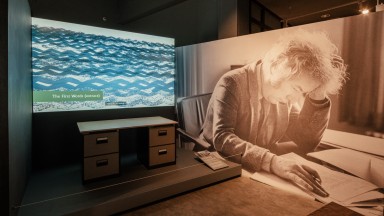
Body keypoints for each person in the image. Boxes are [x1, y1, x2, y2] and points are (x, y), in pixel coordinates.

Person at [200, 29, 347, 196]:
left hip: (255, 172)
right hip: (216, 167)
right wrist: (273, 162)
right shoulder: (231, 82)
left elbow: (305, 141)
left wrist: (317, 95)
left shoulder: (284, 97)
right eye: (296, 88)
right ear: (280, 67)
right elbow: (222, 138)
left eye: (302, 92)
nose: (294, 100)